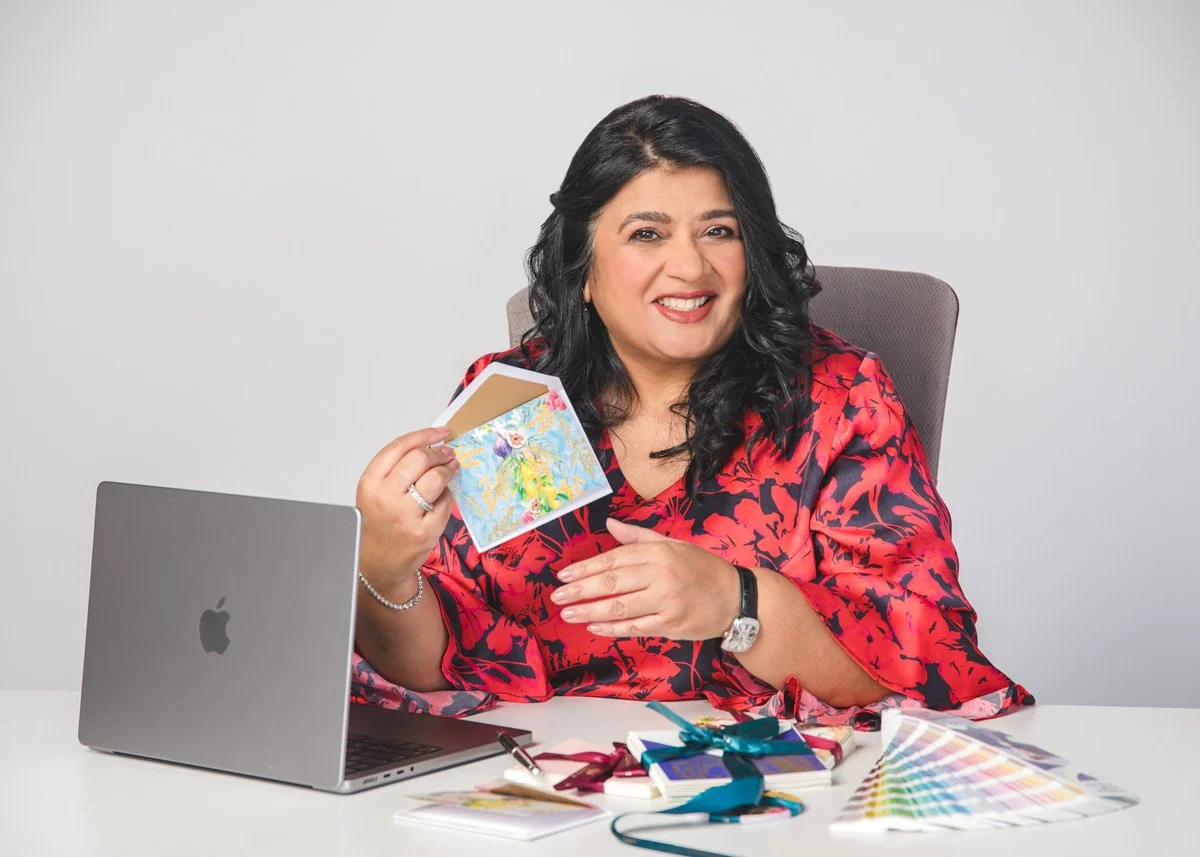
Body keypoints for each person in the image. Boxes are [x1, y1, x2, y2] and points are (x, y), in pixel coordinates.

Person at [351, 95, 1031, 729]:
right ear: (584, 268)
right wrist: (384, 572)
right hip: (547, 784)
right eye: (648, 233)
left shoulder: (838, 398)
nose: (689, 266)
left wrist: (738, 603)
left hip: (774, 791)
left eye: (718, 230)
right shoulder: (516, 404)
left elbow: (918, 670)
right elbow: (441, 667)